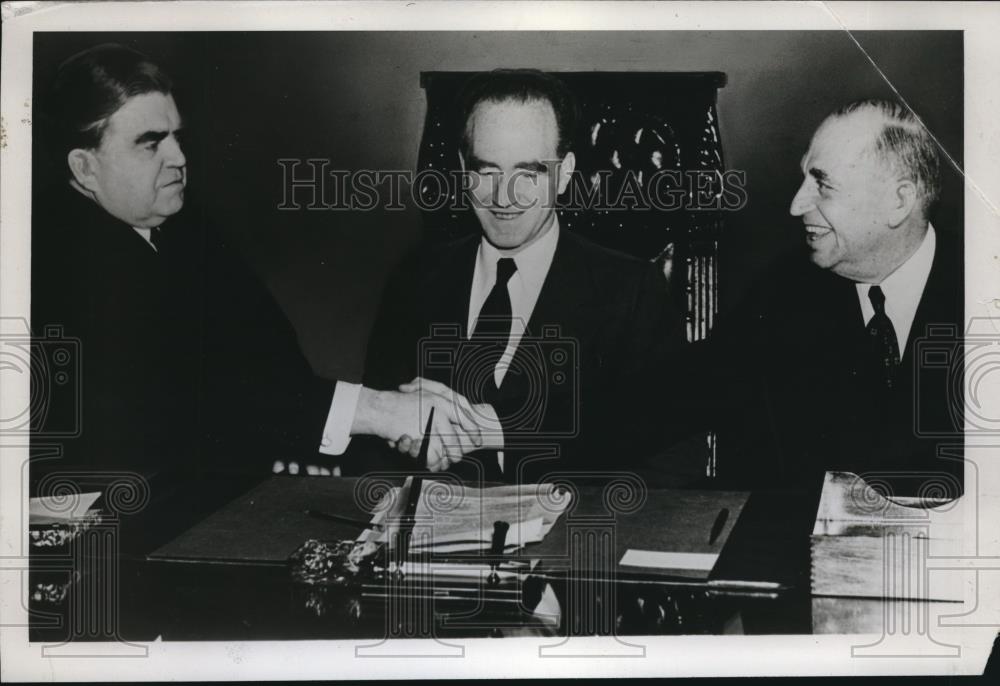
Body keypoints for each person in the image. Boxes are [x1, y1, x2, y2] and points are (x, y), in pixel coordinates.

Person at [30, 44, 481, 496]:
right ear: (84, 168)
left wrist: (390, 412)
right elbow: (194, 400)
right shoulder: (52, 257)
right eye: (151, 144)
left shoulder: (184, 224)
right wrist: (379, 412)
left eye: (177, 138)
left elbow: (272, 362)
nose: (179, 159)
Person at [358, 69, 685, 484]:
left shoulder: (633, 291)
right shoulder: (413, 280)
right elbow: (370, 459)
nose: (503, 196)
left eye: (529, 173)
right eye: (486, 170)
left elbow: (670, 455)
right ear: (462, 168)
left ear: (564, 172)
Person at [684, 98, 963, 496]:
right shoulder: (784, 290)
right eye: (804, 180)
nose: (796, 205)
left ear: (898, 202)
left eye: (823, 184)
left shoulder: (982, 289)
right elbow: (681, 393)